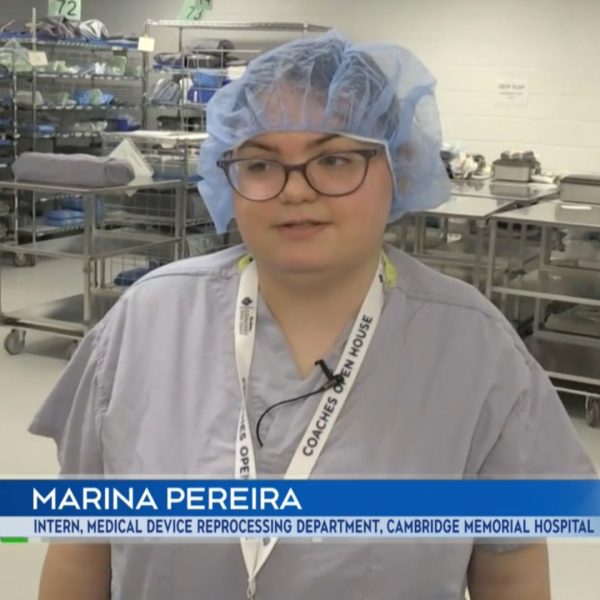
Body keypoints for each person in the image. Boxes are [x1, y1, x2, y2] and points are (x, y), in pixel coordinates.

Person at [31, 31, 593, 600]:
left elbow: (510, 563)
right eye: (261, 164)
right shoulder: (149, 320)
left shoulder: (473, 347)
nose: (296, 191)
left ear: (397, 167)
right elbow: (82, 541)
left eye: (336, 159)